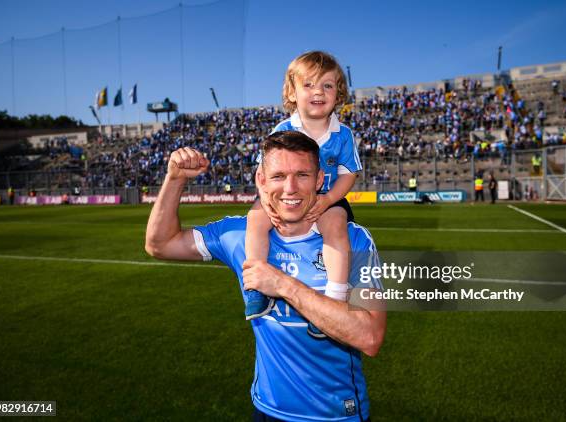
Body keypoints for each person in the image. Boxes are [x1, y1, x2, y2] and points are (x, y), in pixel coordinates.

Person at [145, 131, 386, 421]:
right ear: (261, 180)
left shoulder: (355, 240)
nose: (290, 188)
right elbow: (159, 244)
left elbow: (370, 337)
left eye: (302, 175)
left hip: (337, 414)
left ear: (320, 179)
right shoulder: (239, 235)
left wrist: (284, 285)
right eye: (278, 176)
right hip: (266, 411)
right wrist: (175, 180)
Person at [244, 51, 361, 339]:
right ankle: (257, 286)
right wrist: (268, 204)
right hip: (285, 197)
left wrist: (328, 199)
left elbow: (349, 174)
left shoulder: (343, 134)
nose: (318, 92)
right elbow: (262, 173)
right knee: (255, 219)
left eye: (327, 85)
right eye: (308, 85)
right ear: (292, 93)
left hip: (326, 197)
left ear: (339, 93)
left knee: (336, 226)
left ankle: (335, 298)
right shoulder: (282, 130)